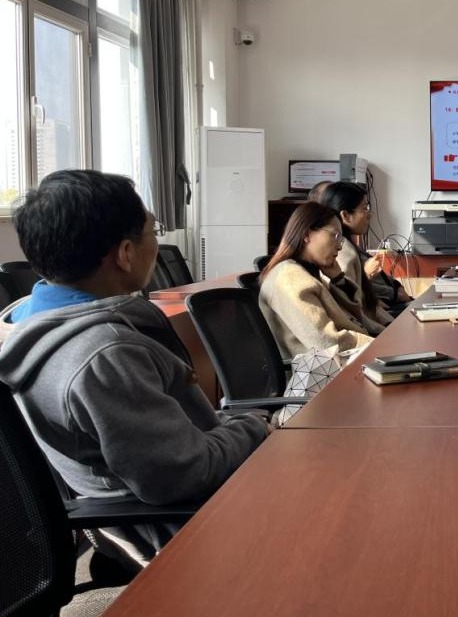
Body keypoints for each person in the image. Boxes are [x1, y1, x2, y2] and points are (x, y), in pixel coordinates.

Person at [0, 169, 270, 572]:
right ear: (126, 253)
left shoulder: (24, 320)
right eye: (152, 232)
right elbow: (183, 475)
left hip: (155, 515)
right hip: (185, 532)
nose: (155, 244)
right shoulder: (107, 354)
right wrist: (255, 425)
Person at [259, 201, 377, 359]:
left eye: (341, 239)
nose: (339, 247)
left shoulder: (305, 272)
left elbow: (353, 317)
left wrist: (338, 279)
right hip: (324, 370)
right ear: (306, 235)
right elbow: (326, 342)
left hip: (340, 362)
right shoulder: (290, 278)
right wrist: (380, 345)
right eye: (335, 236)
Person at [316, 181, 413, 318]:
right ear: (345, 216)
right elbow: (350, 302)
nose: (369, 214)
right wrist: (392, 294)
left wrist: (396, 289)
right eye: (365, 208)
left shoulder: (351, 246)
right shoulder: (343, 252)